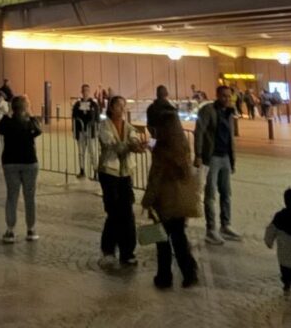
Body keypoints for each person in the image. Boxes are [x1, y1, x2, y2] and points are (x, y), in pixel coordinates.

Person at [141, 112, 199, 289]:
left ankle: (164, 277)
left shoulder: (162, 151)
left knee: (162, 241)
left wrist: (147, 201)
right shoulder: (182, 146)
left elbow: (155, 179)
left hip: (164, 201)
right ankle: (189, 274)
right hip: (180, 200)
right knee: (180, 238)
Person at [98, 95, 147, 265]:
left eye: (123, 106)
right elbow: (113, 144)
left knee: (127, 213)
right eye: (119, 106)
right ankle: (108, 250)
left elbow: (134, 137)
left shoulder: (128, 126)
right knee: (113, 213)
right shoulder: (104, 126)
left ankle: (127, 252)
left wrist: (138, 144)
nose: (122, 109)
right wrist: (132, 146)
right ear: (111, 108)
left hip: (125, 174)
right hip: (109, 173)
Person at [194, 85, 242, 245]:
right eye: (223, 96)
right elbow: (199, 131)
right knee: (210, 194)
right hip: (212, 157)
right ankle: (211, 229)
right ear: (217, 95)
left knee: (226, 193)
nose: (227, 99)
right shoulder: (208, 110)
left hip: (225, 157)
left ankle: (225, 225)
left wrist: (232, 158)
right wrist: (199, 154)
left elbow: (230, 137)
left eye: (229, 97)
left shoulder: (229, 112)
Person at [0, 94, 41, 243]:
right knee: (30, 197)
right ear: (26, 107)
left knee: (12, 197)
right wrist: (32, 115)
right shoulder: (30, 122)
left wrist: (8, 115)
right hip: (29, 162)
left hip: (10, 163)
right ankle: (31, 229)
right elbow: (39, 130)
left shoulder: (7, 122)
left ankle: (10, 230)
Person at [72, 84, 100, 178]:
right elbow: (74, 117)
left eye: (87, 90)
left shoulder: (94, 104)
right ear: (81, 92)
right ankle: (82, 170)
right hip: (80, 132)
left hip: (91, 132)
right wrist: (74, 132)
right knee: (81, 152)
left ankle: (96, 171)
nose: (85, 92)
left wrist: (96, 130)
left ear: (89, 91)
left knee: (92, 152)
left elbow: (97, 118)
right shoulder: (77, 104)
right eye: (84, 90)